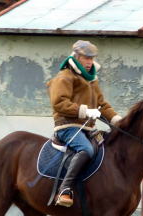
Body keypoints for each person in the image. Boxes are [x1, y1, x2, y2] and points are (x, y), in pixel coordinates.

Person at [47, 40, 122, 207]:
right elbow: (58, 102)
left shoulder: (91, 80)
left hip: (87, 128)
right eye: (85, 58)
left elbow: (102, 105)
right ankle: (64, 190)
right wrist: (85, 111)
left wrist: (118, 120)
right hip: (67, 126)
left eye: (91, 58)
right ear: (77, 57)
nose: (89, 62)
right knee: (86, 149)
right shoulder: (65, 76)